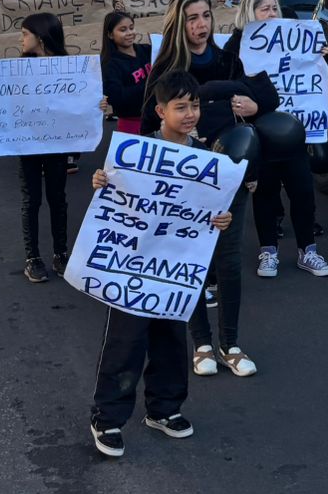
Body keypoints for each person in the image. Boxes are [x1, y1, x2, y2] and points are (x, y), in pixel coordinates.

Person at [89, 69, 233, 458]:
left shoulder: (206, 158)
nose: (190, 114)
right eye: (180, 107)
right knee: (127, 341)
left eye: (195, 105)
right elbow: (112, 197)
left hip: (175, 270)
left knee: (171, 338)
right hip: (133, 267)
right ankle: (108, 418)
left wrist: (222, 219)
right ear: (160, 110)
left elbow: (212, 213)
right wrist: (102, 182)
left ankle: (164, 409)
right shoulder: (136, 153)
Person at [141, 0, 280, 378]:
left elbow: (264, 94)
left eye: (205, 16)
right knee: (193, 260)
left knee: (230, 258)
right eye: (192, 18)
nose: (201, 25)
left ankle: (231, 344)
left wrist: (252, 104)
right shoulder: (166, 65)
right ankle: (201, 343)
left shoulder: (227, 56)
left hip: (230, 174)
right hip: (186, 176)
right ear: (178, 23)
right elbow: (149, 122)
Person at [223, 0, 328, 280]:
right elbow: (228, 84)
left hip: (295, 132)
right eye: (264, 9)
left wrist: (322, 57)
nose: (272, 14)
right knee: (266, 194)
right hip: (262, 135)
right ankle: (268, 250)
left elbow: (317, 80)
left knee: (302, 192)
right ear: (250, 13)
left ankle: (307, 250)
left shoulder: (297, 38)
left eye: (275, 8)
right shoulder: (237, 45)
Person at [0, 12, 75, 283]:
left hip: (57, 143)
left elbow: (80, 100)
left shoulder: (70, 67)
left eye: (25, 34)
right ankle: (33, 257)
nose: (21, 39)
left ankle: (61, 253)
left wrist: (98, 107)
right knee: (32, 199)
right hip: (27, 144)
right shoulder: (18, 69)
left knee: (57, 198)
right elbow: (4, 103)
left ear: (41, 36)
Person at [99, 10, 152, 137]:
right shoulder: (109, 64)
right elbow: (117, 98)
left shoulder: (147, 50)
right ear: (110, 35)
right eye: (123, 30)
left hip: (158, 119)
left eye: (131, 28)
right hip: (131, 125)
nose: (129, 33)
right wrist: (151, 86)